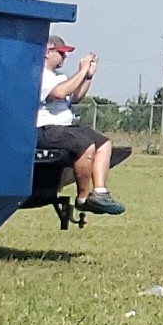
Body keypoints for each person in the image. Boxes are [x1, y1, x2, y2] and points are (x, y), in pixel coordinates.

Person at [34, 41, 126, 219]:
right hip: (46, 128)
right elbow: (60, 93)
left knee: (104, 144)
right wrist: (82, 70)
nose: (64, 57)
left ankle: (100, 192)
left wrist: (88, 76)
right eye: (61, 52)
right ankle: (83, 198)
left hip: (66, 127)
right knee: (85, 146)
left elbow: (74, 97)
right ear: (47, 52)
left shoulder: (59, 76)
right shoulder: (39, 75)